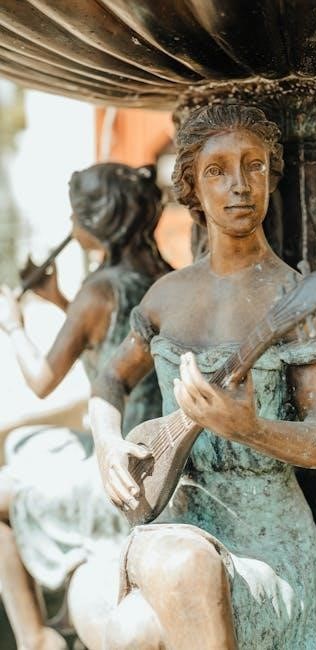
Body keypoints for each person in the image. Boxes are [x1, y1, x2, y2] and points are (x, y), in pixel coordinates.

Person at [90, 104, 316, 650]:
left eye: (254, 166)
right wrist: (107, 443)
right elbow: (110, 380)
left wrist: (249, 428)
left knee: (142, 625)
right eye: (217, 170)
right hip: (178, 514)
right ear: (191, 187)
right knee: (136, 624)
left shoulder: (293, 299)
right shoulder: (166, 296)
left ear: (270, 178)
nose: (240, 185)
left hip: (268, 536)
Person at [0, 162, 169, 650]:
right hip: (158, 455)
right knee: (24, 442)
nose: (71, 223)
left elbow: (41, 381)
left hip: (121, 472)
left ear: (99, 219)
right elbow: (110, 346)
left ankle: (35, 637)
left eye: (76, 213)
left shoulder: (100, 289)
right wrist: (59, 300)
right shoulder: (162, 276)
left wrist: (13, 324)